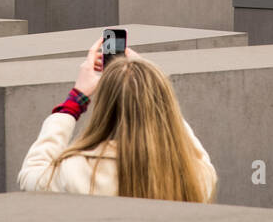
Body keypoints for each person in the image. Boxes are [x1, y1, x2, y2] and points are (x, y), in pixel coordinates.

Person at [17, 38, 217, 202]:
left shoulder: (76, 170)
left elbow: (31, 173)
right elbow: (193, 150)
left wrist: (75, 99)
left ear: (104, 108)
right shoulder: (195, 175)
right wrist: (154, 90)